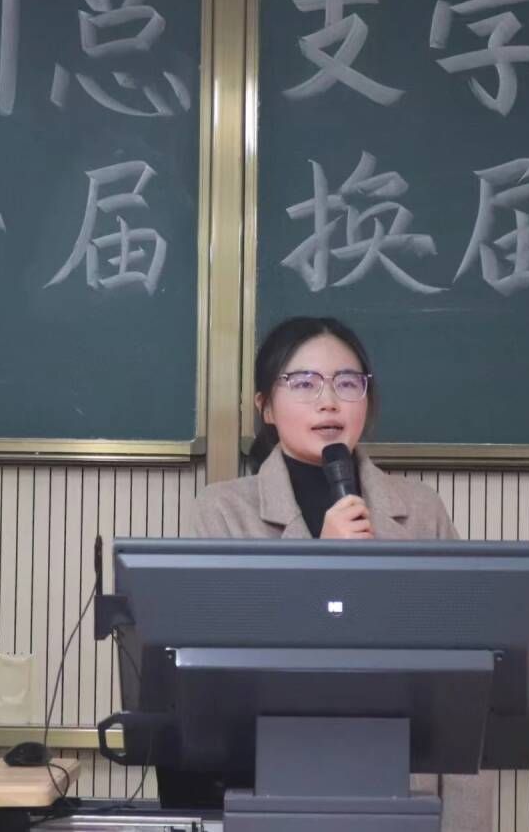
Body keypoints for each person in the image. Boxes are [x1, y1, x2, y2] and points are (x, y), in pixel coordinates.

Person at [190, 316, 495, 832]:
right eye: (304, 383)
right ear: (265, 406)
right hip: (269, 780)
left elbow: (465, 689)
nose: (328, 402)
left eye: (347, 383)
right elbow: (216, 676)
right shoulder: (222, 512)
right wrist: (320, 561)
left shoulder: (421, 511)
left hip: (407, 785)